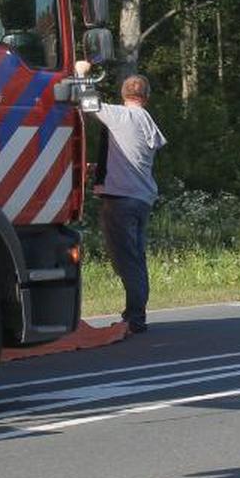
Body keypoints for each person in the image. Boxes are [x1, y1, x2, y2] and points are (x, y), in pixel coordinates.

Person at [84, 73, 166, 334]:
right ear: (147, 97)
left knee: (126, 260)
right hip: (140, 198)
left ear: (123, 94)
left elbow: (87, 103)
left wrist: (83, 74)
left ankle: (134, 318)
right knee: (136, 257)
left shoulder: (121, 115)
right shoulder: (146, 120)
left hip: (121, 200)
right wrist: (100, 169)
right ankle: (135, 314)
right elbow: (132, 156)